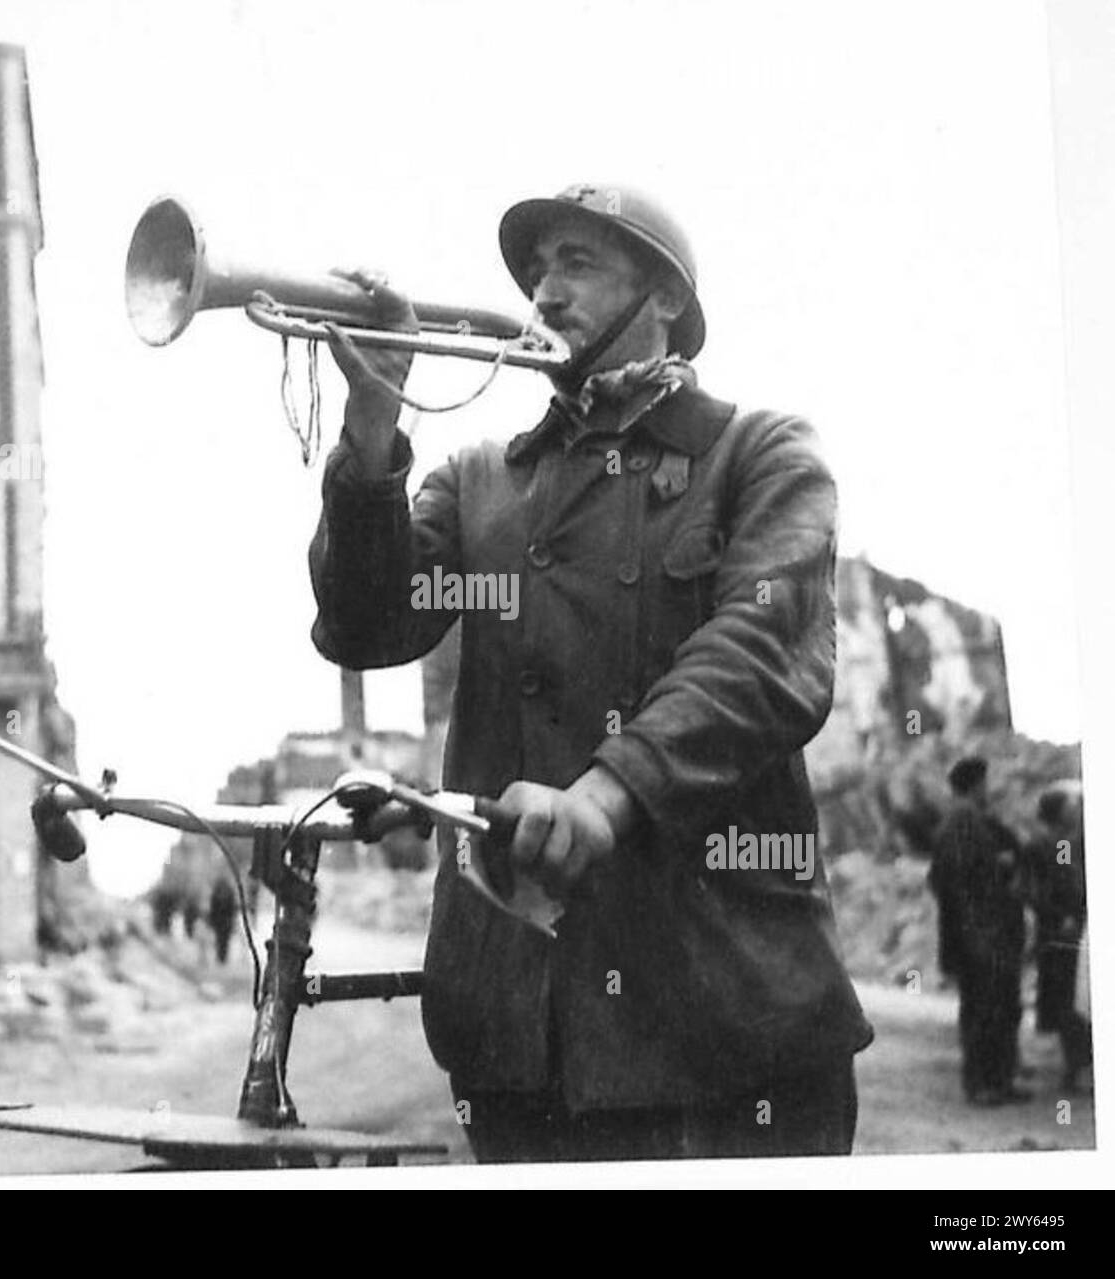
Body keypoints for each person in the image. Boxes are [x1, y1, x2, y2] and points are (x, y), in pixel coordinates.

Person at [309, 182, 873, 1161]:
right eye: (535, 272)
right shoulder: (478, 479)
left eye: (576, 264)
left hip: (720, 1019)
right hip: (522, 1024)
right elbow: (365, 627)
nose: (542, 292)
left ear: (661, 293)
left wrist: (609, 796)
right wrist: (369, 421)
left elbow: (764, 654)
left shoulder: (758, 454)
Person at [931, 756, 1029, 1106]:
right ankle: (981, 1083)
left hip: (990, 933)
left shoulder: (974, 822)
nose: (990, 789)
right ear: (975, 784)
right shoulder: (961, 823)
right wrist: (973, 936)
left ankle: (999, 1079)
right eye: (986, 783)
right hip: (979, 936)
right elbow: (955, 885)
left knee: (1000, 1007)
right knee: (982, 1010)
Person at [1028, 784, 1090, 1088]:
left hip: (1065, 929)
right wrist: (1061, 915)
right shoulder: (1053, 845)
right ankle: (1074, 1066)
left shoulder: (1062, 843)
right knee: (1069, 1000)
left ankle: (1077, 1064)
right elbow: (1058, 884)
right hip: (1061, 931)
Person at [208, 876, 238, 966]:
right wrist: (233, 919)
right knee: (225, 940)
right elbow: (233, 908)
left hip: (219, 921)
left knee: (219, 939)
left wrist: (211, 920)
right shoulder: (230, 893)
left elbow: (213, 909)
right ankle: (223, 957)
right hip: (227, 921)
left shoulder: (216, 893)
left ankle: (220, 957)